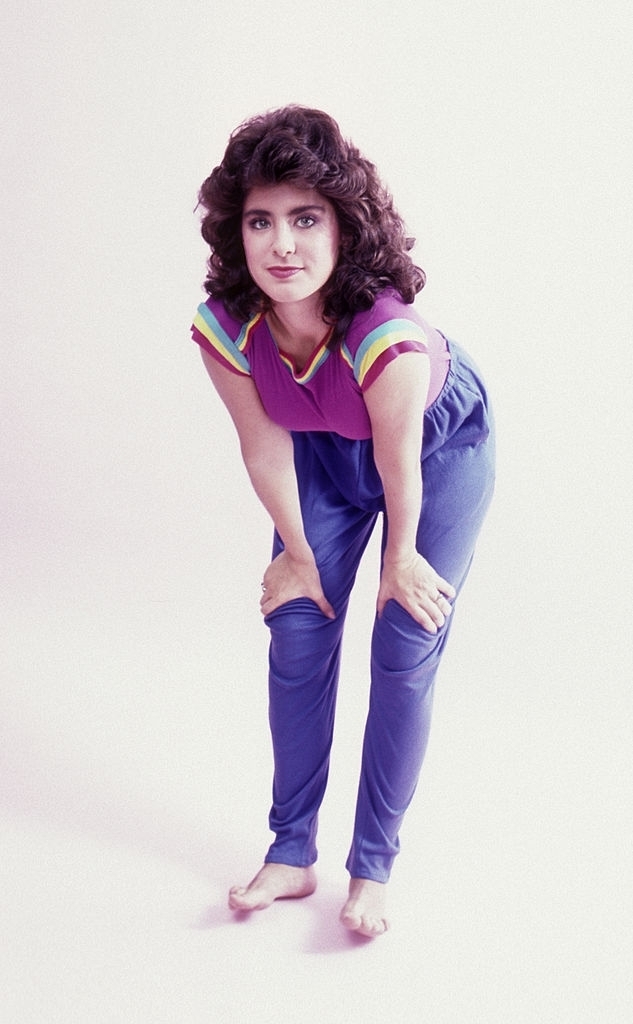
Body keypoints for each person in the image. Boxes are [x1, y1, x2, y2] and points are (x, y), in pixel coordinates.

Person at [191, 105, 495, 938]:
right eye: (260, 221)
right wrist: (295, 552)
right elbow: (263, 445)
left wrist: (401, 559)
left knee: (402, 641)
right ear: (237, 233)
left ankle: (373, 868)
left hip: (433, 454)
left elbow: (400, 467)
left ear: (344, 228)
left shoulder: (385, 337)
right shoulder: (226, 327)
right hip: (321, 451)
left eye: (305, 219)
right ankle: (291, 852)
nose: (281, 245)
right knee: (296, 625)